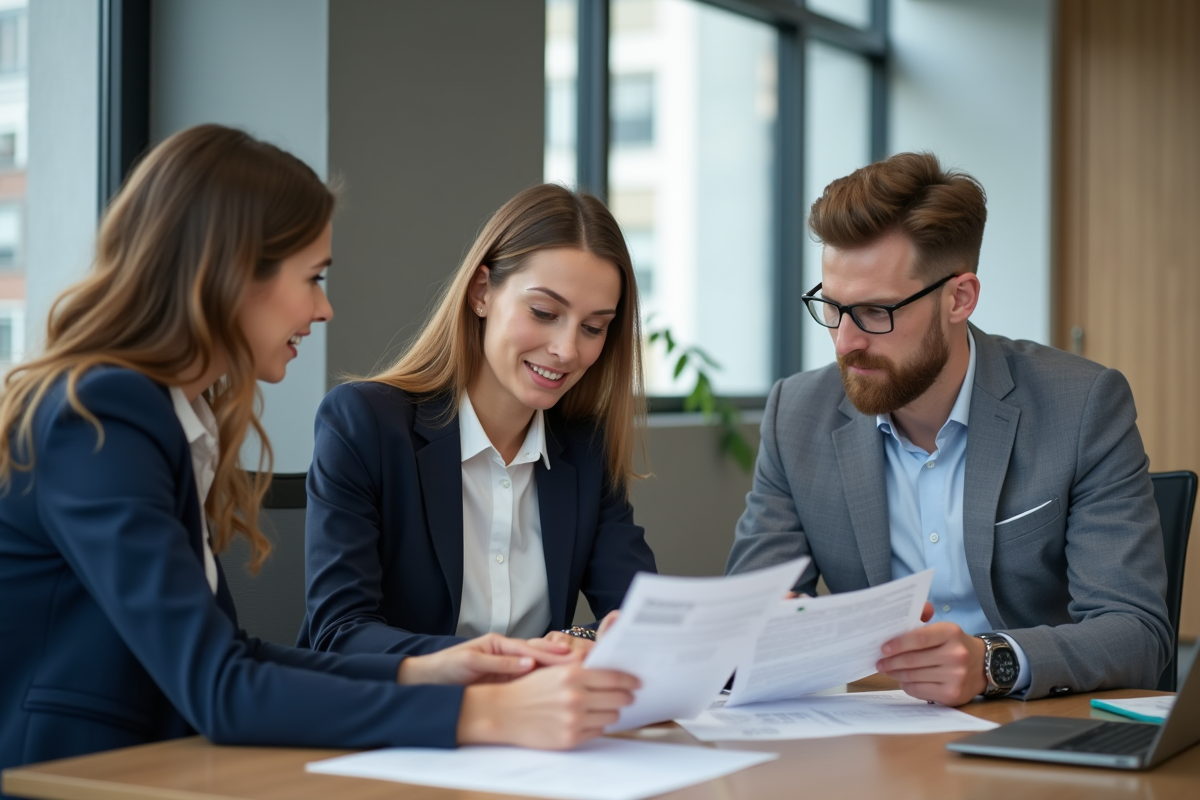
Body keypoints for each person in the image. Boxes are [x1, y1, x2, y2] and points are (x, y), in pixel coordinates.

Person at [0, 126, 639, 779]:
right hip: (74, 780)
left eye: (594, 327)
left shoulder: (169, 417)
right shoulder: (102, 414)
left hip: (154, 772)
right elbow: (221, 686)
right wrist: (485, 712)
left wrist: (431, 670)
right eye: (313, 277)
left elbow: (235, 658)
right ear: (227, 274)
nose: (325, 308)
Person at [726, 152, 1171, 706]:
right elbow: (745, 620)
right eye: (832, 307)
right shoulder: (795, 415)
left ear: (959, 298)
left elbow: (1136, 632)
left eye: (876, 312)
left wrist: (991, 662)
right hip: (875, 729)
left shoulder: (1081, 406)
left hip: (1033, 724)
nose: (845, 342)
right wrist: (764, 630)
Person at [299, 183, 656, 659]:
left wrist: (578, 640)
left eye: (593, 328)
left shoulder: (585, 451)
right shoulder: (364, 424)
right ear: (482, 292)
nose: (567, 350)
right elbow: (340, 634)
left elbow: (643, 619)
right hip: (401, 707)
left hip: (531, 707)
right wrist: (507, 662)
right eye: (544, 312)